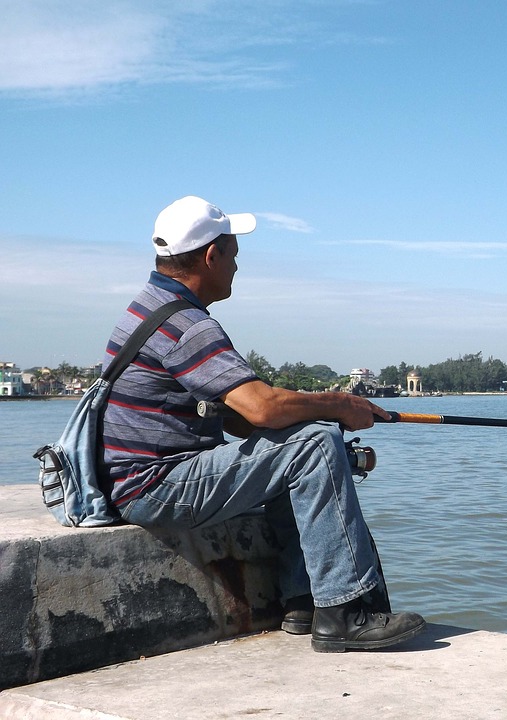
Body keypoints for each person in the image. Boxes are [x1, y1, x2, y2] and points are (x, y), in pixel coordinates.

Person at [99, 195, 425, 652]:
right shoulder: (188, 325)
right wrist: (339, 406)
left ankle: (303, 601)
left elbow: (242, 417)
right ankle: (343, 611)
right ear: (212, 255)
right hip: (156, 486)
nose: (236, 268)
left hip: (140, 481)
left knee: (302, 440)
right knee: (313, 444)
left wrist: (315, 416)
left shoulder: (150, 307)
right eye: (233, 255)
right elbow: (261, 408)